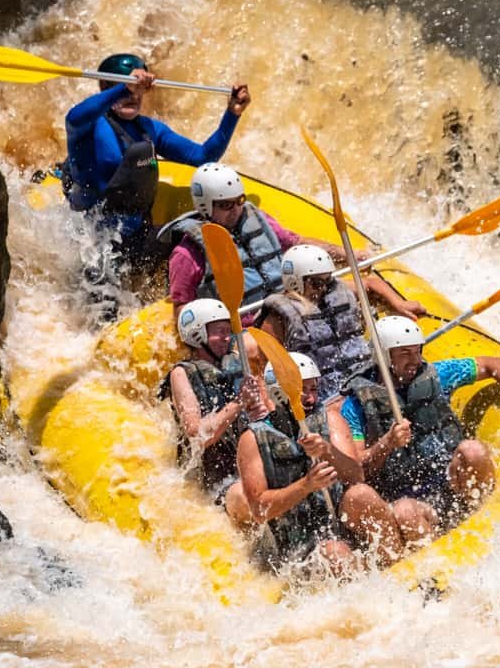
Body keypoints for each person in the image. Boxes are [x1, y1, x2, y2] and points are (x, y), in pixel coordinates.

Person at [336, 316, 500, 544]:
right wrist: (388, 442)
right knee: (404, 511)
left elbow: (494, 364)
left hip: (450, 480)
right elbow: (357, 469)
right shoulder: (355, 406)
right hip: (405, 497)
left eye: (417, 351)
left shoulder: (438, 374)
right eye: (405, 354)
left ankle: (492, 522)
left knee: (473, 450)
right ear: (383, 356)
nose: (415, 360)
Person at [63, 53, 251, 264]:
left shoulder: (150, 129)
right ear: (107, 88)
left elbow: (203, 156)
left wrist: (232, 114)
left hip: (138, 237)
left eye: (138, 89)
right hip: (95, 245)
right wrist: (124, 89)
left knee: (197, 242)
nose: (133, 96)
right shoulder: (88, 128)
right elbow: (74, 116)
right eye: (125, 86)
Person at [238, 352, 405, 571]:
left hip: (338, 523)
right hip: (297, 544)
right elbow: (260, 509)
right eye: (302, 391)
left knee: (361, 495)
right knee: (334, 553)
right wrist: (306, 485)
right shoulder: (252, 439)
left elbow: (357, 476)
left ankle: (401, 570)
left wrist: (326, 451)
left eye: (314, 389)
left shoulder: (330, 419)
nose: (311, 399)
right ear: (279, 393)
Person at [164, 162, 367, 322]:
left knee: (367, 287)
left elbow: (296, 242)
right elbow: (182, 308)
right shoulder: (187, 254)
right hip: (252, 325)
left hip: (291, 303)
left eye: (239, 201)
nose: (236, 209)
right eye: (226, 205)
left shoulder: (256, 219)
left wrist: (348, 255)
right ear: (205, 206)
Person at [260, 244, 426, 402]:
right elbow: (263, 366)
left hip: (366, 379)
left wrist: (399, 304)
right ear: (294, 281)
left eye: (328, 281)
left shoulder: (336, 290)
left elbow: (371, 283)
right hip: (329, 396)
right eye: (317, 283)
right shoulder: (278, 317)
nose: (324, 289)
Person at [160, 298, 267, 525]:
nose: (227, 338)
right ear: (197, 333)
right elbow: (197, 435)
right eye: (220, 332)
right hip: (221, 478)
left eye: (228, 331)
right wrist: (239, 403)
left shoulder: (239, 363)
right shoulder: (181, 373)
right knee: (245, 497)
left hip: (257, 462)